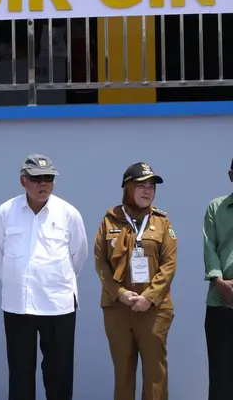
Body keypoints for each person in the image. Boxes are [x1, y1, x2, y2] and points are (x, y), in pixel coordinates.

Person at [0, 154, 88, 400]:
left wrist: (56, 279)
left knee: (59, 373)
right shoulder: (6, 212)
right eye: (36, 178)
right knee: (20, 375)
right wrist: (14, 279)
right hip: (18, 305)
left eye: (48, 178)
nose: (43, 184)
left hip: (58, 305)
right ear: (23, 181)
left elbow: (79, 254)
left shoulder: (68, 213)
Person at [94, 162, 177, 400]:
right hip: (117, 308)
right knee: (123, 372)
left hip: (154, 309)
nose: (147, 191)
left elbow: (169, 264)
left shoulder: (162, 222)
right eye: (141, 185)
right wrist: (119, 293)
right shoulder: (109, 221)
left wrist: (148, 298)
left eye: (151, 186)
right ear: (127, 187)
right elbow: (100, 263)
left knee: (155, 373)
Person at [203, 157, 233, 400]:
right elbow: (209, 246)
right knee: (221, 374)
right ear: (231, 174)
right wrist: (219, 281)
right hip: (221, 302)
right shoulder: (216, 207)